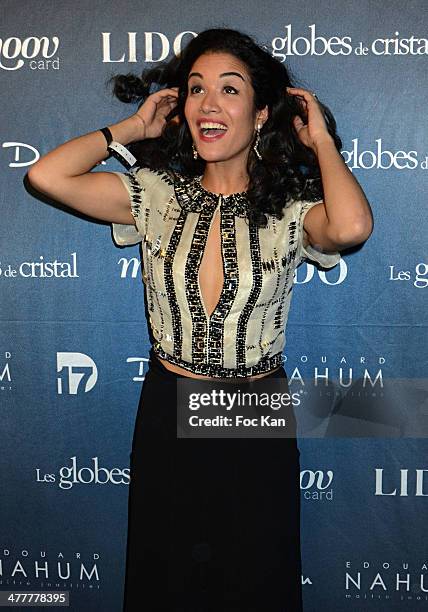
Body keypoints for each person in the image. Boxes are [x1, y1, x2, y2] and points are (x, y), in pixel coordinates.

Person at [27, 27, 373, 612]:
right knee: (166, 580)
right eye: (195, 89)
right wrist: (131, 130)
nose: (209, 104)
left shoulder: (289, 206)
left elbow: (351, 228)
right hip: (169, 401)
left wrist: (321, 145)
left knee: (257, 577)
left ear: (262, 113)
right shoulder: (155, 193)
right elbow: (45, 177)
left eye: (230, 90)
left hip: (253, 407)